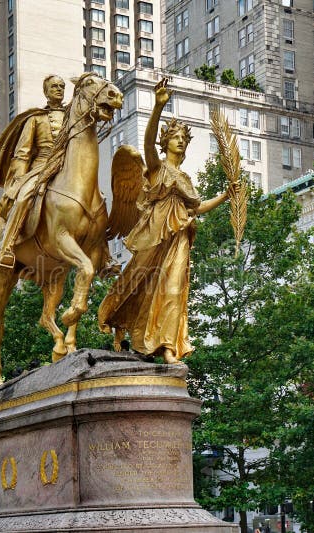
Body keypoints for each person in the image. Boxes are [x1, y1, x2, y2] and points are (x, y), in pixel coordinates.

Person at [98, 79, 235, 363]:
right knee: (137, 283)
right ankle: (120, 319)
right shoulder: (157, 168)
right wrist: (158, 106)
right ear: (166, 142)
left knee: (174, 290)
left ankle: (169, 347)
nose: (180, 141)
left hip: (180, 239)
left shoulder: (185, 179)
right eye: (175, 137)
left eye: (183, 138)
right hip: (155, 236)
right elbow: (147, 141)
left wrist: (225, 196)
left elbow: (196, 208)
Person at [0, 74, 66, 268]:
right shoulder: (36, 118)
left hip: (66, 167)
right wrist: (18, 180)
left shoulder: (73, 117)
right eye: (54, 86)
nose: (58, 89)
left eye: (62, 86)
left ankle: (103, 255)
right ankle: (8, 245)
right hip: (40, 168)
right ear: (46, 91)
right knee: (23, 198)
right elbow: (23, 153)